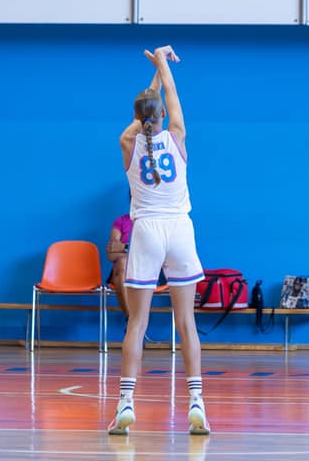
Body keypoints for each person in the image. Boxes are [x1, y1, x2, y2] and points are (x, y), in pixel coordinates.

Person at [109, 45, 209, 436]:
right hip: (179, 229)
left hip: (147, 230)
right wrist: (163, 65)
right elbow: (169, 96)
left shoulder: (128, 143)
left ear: (136, 118)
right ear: (162, 115)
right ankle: (197, 402)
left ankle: (125, 403)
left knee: (137, 322)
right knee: (186, 323)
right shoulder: (178, 137)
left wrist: (153, 71)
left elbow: (145, 112)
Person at [106, 212, 134, 319]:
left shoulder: (152, 221)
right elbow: (111, 255)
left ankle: (132, 322)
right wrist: (133, 250)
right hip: (121, 272)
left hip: (145, 271)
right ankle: (131, 319)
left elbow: (152, 254)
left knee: (124, 261)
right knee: (122, 263)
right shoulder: (121, 221)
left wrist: (123, 248)